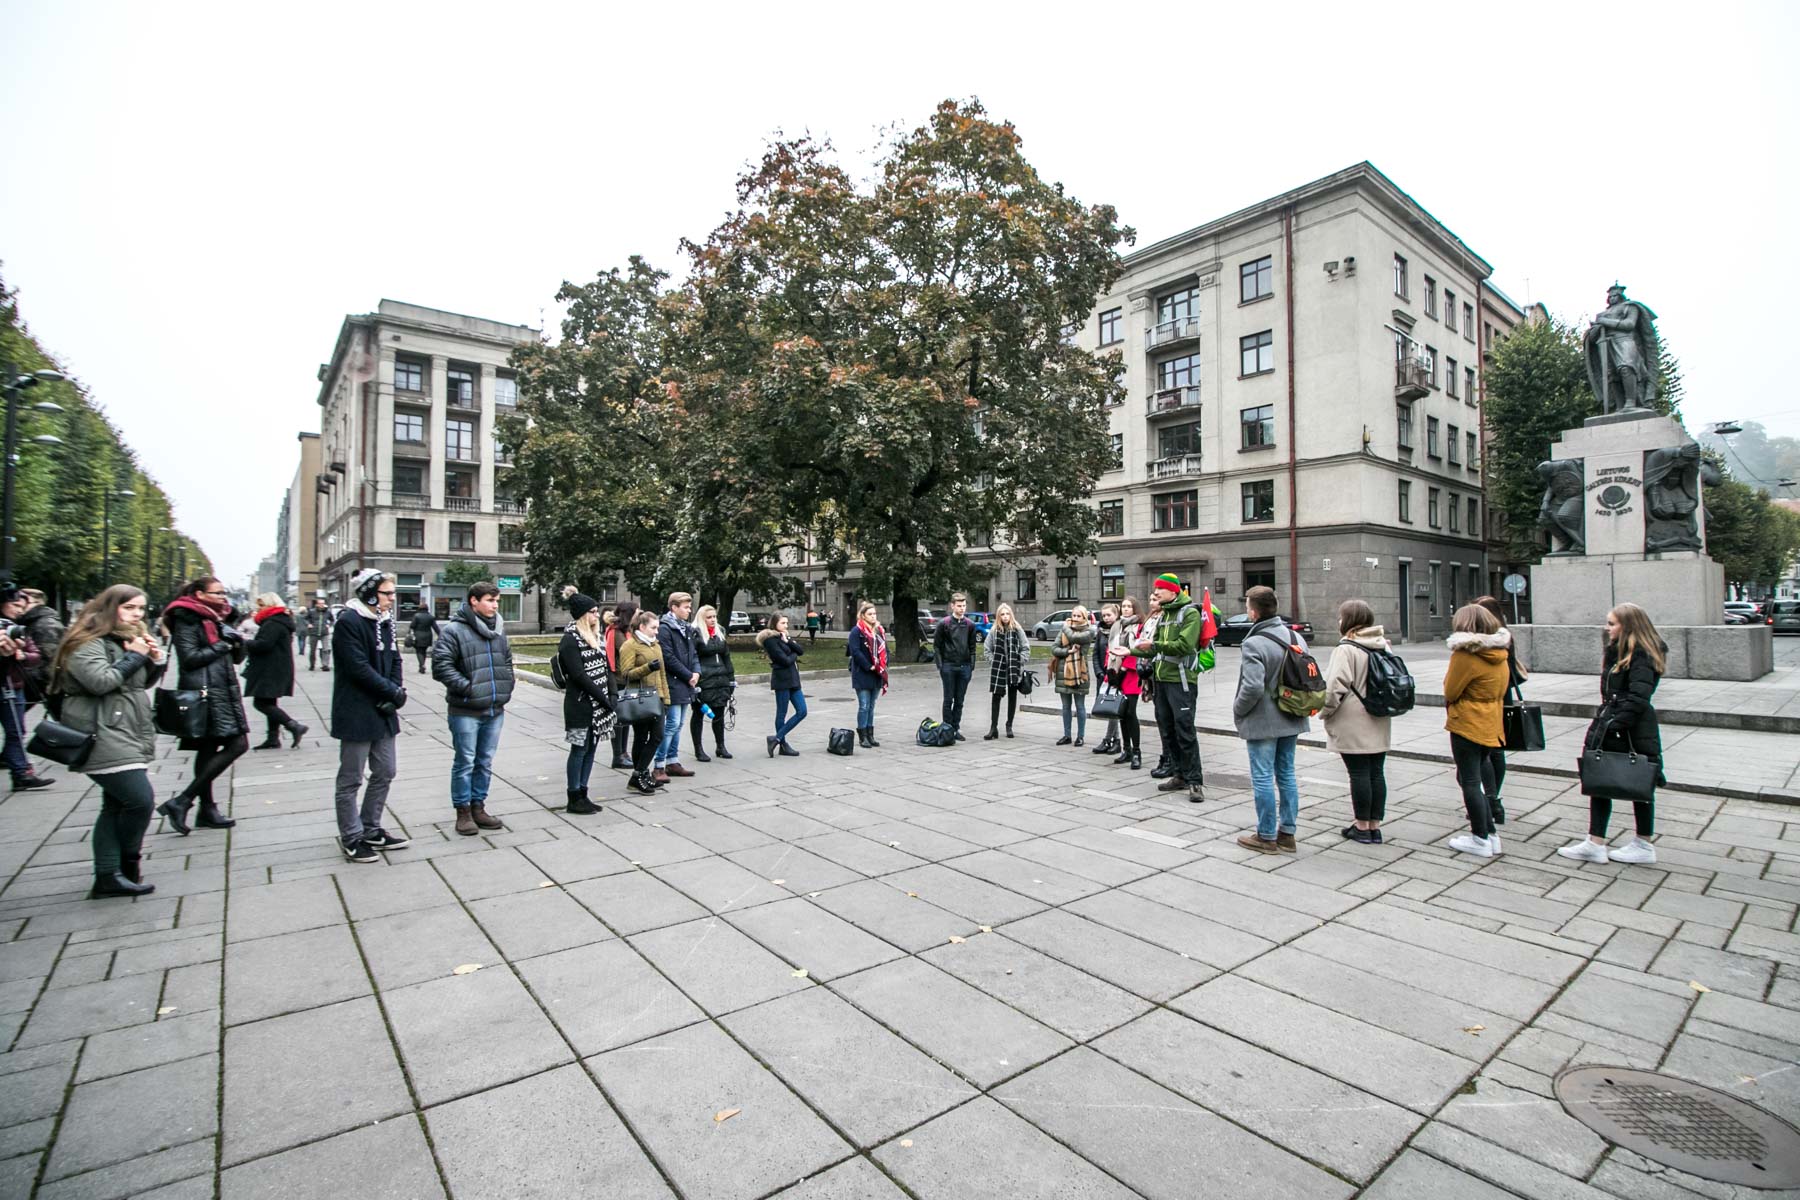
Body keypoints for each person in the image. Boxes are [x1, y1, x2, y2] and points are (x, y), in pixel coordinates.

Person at [51, 585, 166, 896]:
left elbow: (139, 683)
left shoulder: (125, 639)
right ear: (109, 607)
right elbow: (101, 682)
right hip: (101, 728)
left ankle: (108, 875)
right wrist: (134, 657)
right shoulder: (86, 642)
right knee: (140, 801)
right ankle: (127, 863)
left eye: (141, 609)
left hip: (125, 726)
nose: (137, 615)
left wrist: (153, 660)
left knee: (115, 805)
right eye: (129, 608)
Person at [1558, 603, 1666, 865]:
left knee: (1639, 780)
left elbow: (1639, 696)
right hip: (1615, 721)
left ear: (1627, 626)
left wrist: (1616, 725)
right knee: (1601, 779)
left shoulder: (1640, 655)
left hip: (1630, 728)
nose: (1607, 628)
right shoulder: (1619, 651)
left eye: (1612, 623)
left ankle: (1642, 843)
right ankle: (1595, 842)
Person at [157, 577, 248, 835]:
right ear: (199, 594)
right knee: (238, 744)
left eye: (223, 592)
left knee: (209, 749)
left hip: (221, 689)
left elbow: (236, 657)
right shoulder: (187, 618)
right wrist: (224, 644)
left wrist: (235, 642)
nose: (222, 597)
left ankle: (206, 809)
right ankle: (183, 800)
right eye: (216, 593)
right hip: (204, 691)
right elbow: (190, 659)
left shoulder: (215, 618)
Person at [330, 569, 409, 862]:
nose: (392, 598)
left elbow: (395, 659)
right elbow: (357, 667)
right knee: (350, 778)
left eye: (392, 593)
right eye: (387, 593)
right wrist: (390, 691)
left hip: (384, 710)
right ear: (368, 593)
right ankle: (351, 836)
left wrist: (395, 690)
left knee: (386, 770)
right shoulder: (349, 622)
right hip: (357, 710)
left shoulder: (385, 622)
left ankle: (371, 827)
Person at [431, 581, 514, 837]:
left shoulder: (499, 629)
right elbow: (441, 666)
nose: (495, 605)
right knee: (465, 761)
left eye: (496, 601)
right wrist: (469, 688)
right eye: (490, 600)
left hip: (494, 707)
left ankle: (479, 806)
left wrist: (506, 686)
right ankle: (463, 812)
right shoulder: (454, 630)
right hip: (466, 709)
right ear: (473, 601)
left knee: (485, 761)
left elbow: (507, 661)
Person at [1233, 585, 1306, 851]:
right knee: (1286, 773)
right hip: (1292, 713)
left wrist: (1239, 709)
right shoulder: (1295, 637)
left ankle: (1266, 835)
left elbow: (1252, 686)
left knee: (1263, 776)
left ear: (1253, 612)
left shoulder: (1254, 642)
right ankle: (1287, 833)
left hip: (1263, 719)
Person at [1319, 599, 1392, 845]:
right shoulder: (1382, 645)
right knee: (1376, 772)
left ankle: (1361, 826)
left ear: (1347, 621)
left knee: (1358, 772)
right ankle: (1374, 826)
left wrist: (1324, 712)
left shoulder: (1346, 649)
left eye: (1341, 617)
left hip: (1353, 718)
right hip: (1379, 715)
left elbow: (1334, 688)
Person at [1443, 603, 1512, 859]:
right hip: (1491, 722)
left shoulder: (1465, 655)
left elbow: (1451, 691)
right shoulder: (1500, 652)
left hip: (1468, 722)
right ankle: (1491, 834)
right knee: (1478, 778)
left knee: (1469, 781)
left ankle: (1479, 837)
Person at [1141, 574, 1209, 800]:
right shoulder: (1164, 615)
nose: (1156, 593)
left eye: (1160, 589)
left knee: (1185, 730)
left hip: (1181, 682)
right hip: (1161, 681)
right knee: (1167, 730)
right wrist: (1130, 651)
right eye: (1155, 590)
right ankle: (1179, 774)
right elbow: (1153, 650)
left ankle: (1195, 781)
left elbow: (1184, 645)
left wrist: (1155, 644)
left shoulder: (1189, 613)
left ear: (1173, 591)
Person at [556, 592, 615, 814]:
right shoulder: (570, 639)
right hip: (579, 705)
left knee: (591, 749)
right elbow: (579, 675)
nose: (596, 615)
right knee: (579, 749)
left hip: (598, 706)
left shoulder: (596, 637)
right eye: (592, 612)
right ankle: (573, 796)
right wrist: (604, 698)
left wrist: (613, 695)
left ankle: (583, 792)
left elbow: (607, 667)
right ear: (582, 615)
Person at [1474, 595, 1526, 826]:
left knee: (1484, 752)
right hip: (1503, 696)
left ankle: (1490, 800)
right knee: (1496, 750)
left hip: (1484, 698)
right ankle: (1494, 799)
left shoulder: (1481, 642)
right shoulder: (1505, 637)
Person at [0, 585, 51, 791]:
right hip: (7, 684)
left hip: (13, 684)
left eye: (22, 607)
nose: (19, 610)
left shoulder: (16, 627)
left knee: (16, 731)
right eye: (14, 605)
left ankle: (21, 773)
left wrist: (21, 655)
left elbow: (35, 655)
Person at [243, 591, 308, 750]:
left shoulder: (273, 622)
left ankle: (293, 725)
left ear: (270, 605)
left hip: (270, 668)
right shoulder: (279, 620)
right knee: (269, 701)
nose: (258, 609)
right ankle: (273, 739)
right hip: (276, 667)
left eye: (261, 605)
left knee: (261, 703)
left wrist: (245, 642)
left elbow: (264, 645)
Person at [616, 610, 666, 794]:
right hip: (641, 699)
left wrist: (666, 698)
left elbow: (662, 674)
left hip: (656, 698)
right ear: (642, 627)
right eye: (653, 628)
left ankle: (639, 774)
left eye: (657, 628)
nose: (656, 632)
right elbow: (626, 673)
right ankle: (641, 775)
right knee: (641, 737)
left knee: (657, 736)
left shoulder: (656, 645)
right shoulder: (630, 645)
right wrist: (646, 668)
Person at [653, 592, 701, 782]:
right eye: (686, 607)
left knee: (679, 724)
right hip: (674, 682)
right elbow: (668, 657)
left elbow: (693, 654)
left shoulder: (686, 628)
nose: (689, 611)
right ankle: (659, 764)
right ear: (673, 607)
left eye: (689, 607)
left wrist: (696, 672)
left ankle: (672, 761)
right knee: (671, 723)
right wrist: (688, 675)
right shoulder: (665, 628)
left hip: (686, 682)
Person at [1105, 596, 1145, 768]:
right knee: (1121, 713)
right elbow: (1110, 648)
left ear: (1135, 608)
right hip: (1117, 674)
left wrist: (1123, 669)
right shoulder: (1117, 626)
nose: (1126, 609)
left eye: (1129, 606)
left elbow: (1138, 650)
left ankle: (1136, 752)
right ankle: (1126, 750)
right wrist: (1110, 671)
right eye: (1124, 606)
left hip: (1131, 675)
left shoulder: (1140, 626)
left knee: (1130, 713)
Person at [758, 614, 806, 756]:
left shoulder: (784, 637)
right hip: (782, 680)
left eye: (787, 623)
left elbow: (801, 650)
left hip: (793, 679)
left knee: (802, 711)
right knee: (782, 713)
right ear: (774, 624)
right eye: (783, 623)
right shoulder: (770, 640)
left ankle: (776, 738)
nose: (786, 626)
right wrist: (794, 654)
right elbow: (785, 660)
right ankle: (783, 744)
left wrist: (788, 641)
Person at [690, 604, 734, 762]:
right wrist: (695, 681)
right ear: (702, 618)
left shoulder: (720, 632)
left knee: (719, 713)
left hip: (720, 678)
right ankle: (698, 749)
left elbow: (726, 657)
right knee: (699, 713)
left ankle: (720, 746)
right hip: (703, 679)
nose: (713, 620)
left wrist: (731, 679)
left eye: (714, 616)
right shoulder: (695, 633)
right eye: (709, 617)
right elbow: (692, 658)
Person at [981, 603, 1029, 740]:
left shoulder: (1017, 629)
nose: (1005, 616)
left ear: (1011, 615)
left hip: (1013, 669)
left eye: (1007, 614)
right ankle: (993, 727)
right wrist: (993, 661)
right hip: (999, 669)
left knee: (1012, 697)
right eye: (1002, 614)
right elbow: (987, 648)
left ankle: (1009, 725)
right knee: (996, 697)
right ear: (998, 616)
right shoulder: (994, 630)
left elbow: (1026, 647)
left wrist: (1019, 661)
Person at [932, 593, 977, 741]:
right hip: (949, 666)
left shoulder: (970, 625)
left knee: (960, 700)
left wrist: (971, 666)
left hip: (964, 666)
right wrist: (941, 665)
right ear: (952, 606)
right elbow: (937, 646)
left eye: (964, 605)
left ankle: (956, 728)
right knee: (948, 699)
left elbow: (972, 647)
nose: (962, 608)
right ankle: (947, 728)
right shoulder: (944, 624)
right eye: (959, 605)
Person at [1051, 605, 1095, 747]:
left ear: (1084, 618)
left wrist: (1065, 628)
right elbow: (1054, 648)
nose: (1075, 618)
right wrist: (1067, 652)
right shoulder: (1065, 630)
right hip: (1063, 672)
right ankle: (1067, 735)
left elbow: (1074, 637)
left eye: (1078, 616)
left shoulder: (1088, 631)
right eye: (1073, 615)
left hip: (1079, 673)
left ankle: (1080, 736)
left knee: (1080, 706)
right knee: (1065, 706)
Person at [848, 601, 889, 747]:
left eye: (874, 614)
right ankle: (862, 736)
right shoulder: (857, 631)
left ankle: (871, 735)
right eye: (870, 614)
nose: (873, 616)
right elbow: (855, 651)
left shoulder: (879, 630)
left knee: (872, 705)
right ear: (863, 616)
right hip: (863, 673)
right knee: (864, 705)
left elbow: (885, 649)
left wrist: (884, 665)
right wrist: (869, 666)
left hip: (877, 673)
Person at [605, 600, 638, 770]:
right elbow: (614, 655)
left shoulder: (627, 631)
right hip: (617, 680)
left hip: (627, 679)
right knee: (619, 719)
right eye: (637, 613)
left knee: (626, 719)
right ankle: (617, 755)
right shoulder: (615, 632)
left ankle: (624, 753)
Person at [19, 587, 64, 700]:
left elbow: (49, 662)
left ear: (33, 602)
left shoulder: (45, 625)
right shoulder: (33, 621)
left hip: (40, 684)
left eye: (23, 600)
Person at [1089, 603, 1120, 756]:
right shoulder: (1100, 632)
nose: (1107, 618)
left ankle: (1110, 740)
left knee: (1114, 708)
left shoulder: (1120, 630)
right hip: (1103, 676)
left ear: (1116, 615)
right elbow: (1095, 654)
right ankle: (1115, 740)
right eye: (1104, 615)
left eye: (1109, 615)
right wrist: (1099, 672)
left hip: (1116, 675)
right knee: (1107, 709)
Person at [303, 598, 334, 671]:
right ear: (317, 604)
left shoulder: (327, 612)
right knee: (312, 650)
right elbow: (305, 619)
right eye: (320, 603)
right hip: (314, 632)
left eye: (323, 603)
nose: (322, 605)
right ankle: (312, 664)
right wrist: (308, 624)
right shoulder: (312, 611)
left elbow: (332, 620)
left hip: (324, 632)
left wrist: (329, 624)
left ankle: (325, 665)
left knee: (326, 649)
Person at [408, 605, 439, 675]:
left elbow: (412, 626)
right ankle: (422, 665)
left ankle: (422, 665)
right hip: (428, 636)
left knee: (419, 651)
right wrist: (441, 635)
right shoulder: (431, 617)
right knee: (424, 651)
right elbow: (435, 627)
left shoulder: (416, 616)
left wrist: (409, 634)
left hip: (418, 635)